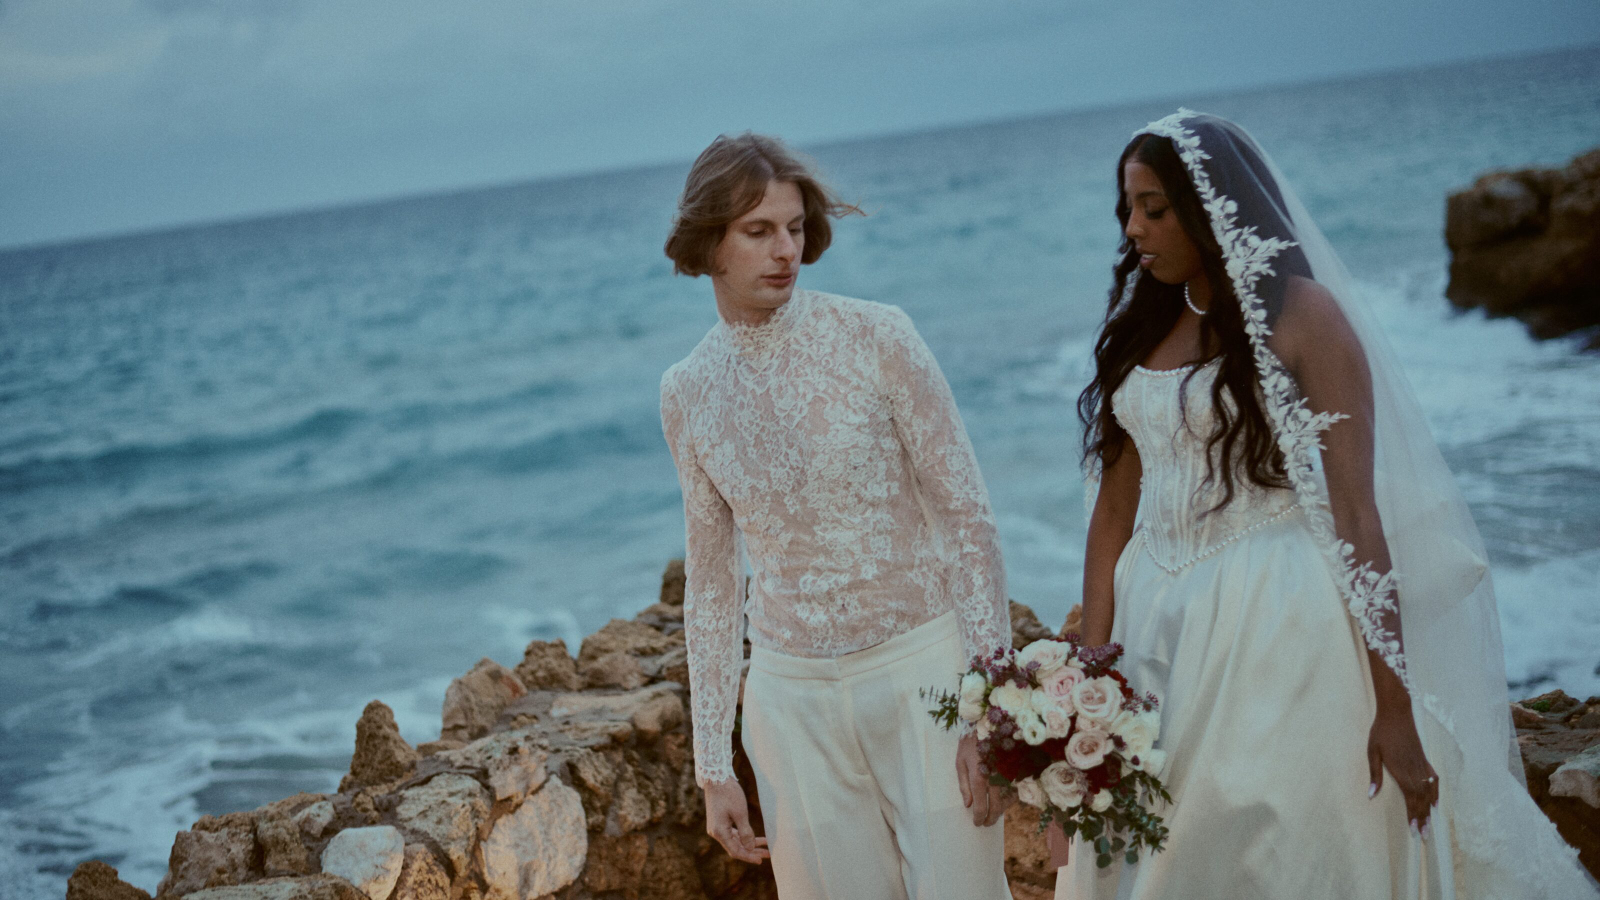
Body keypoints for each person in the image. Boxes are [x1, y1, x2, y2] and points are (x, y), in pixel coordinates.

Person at [1055, 110, 1598, 899]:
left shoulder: (1306, 318)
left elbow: (1356, 514)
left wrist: (1394, 707)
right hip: (1153, 632)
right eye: (1128, 209)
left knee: (1274, 851)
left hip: (1272, 623)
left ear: (1209, 210)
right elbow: (1112, 515)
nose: (1134, 228)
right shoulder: (1144, 321)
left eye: (1154, 209)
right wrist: (1089, 682)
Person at [658, 132, 1015, 900]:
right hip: (791, 705)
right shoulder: (686, 390)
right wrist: (714, 764)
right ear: (707, 242)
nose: (785, 249)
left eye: (793, 228)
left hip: (921, 674)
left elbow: (967, 518)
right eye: (759, 231)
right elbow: (714, 583)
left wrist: (992, 708)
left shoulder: (878, 335)